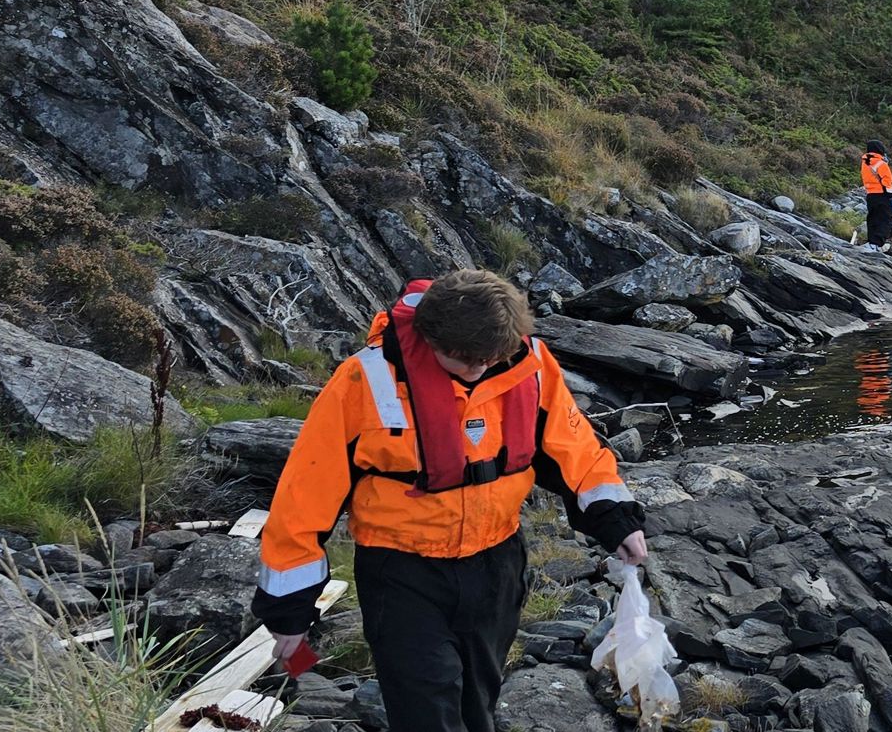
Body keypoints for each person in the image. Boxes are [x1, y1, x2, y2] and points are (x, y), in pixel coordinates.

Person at [253, 270, 645, 732]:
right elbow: (305, 497)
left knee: (478, 701)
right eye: (462, 359)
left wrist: (616, 519)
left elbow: (576, 452)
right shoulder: (365, 379)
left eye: (489, 359)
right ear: (430, 337)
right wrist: (289, 609)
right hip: (401, 573)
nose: (477, 368)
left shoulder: (531, 364)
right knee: (425, 708)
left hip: (496, 564)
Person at [861, 141, 892, 247]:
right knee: (885, 219)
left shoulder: (865, 163)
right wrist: (891, 195)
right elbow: (887, 180)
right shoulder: (881, 163)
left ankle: (871, 242)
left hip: (870, 195)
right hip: (882, 195)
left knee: (873, 219)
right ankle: (878, 243)